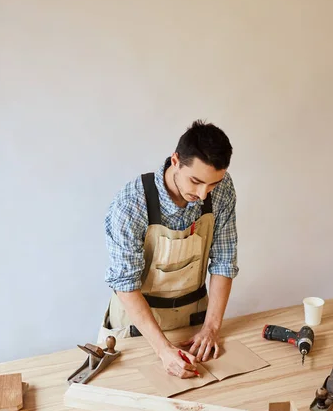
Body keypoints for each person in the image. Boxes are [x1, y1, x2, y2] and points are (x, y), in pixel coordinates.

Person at [100, 120, 239, 379]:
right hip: (137, 326)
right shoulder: (131, 204)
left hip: (195, 320)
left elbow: (224, 262)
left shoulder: (222, 189)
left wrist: (211, 328)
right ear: (175, 161)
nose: (203, 194)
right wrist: (163, 350)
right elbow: (125, 284)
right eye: (195, 181)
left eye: (212, 185)